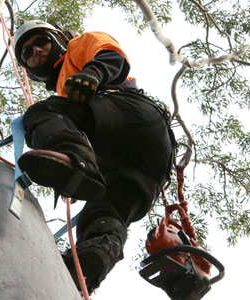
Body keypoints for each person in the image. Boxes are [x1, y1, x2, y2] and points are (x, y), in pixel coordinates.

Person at [12, 20, 175, 293]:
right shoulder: (66, 85)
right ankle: (88, 266)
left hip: (130, 117)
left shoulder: (78, 46)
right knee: (103, 213)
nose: (36, 51)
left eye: (41, 41)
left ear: (59, 39)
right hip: (149, 163)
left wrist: (95, 73)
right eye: (27, 53)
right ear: (29, 71)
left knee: (40, 115)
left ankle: (77, 160)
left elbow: (112, 56)